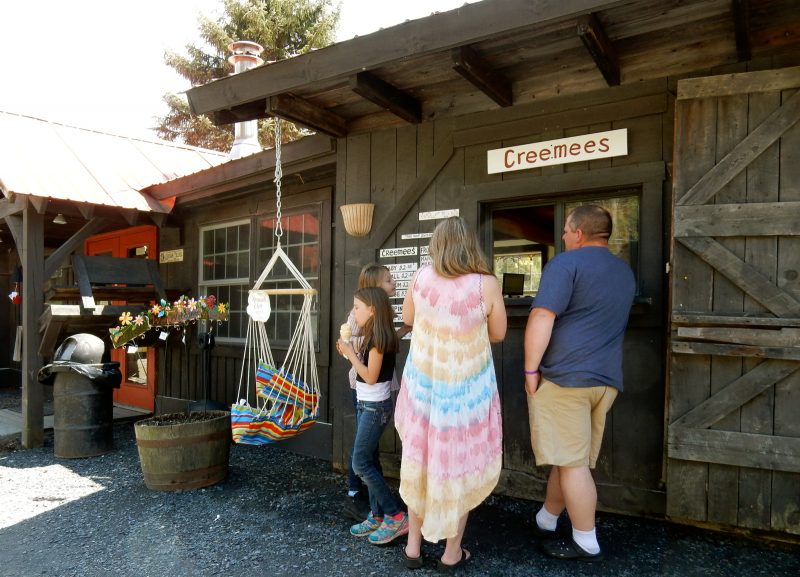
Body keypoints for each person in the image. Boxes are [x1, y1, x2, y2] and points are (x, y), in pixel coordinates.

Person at [523, 204, 635, 562]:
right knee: (569, 457)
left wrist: (530, 370)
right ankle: (547, 518)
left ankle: (586, 540)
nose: (565, 236)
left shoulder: (565, 264)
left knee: (572, 464)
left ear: (580, 233)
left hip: (566, 378)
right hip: (605, 381)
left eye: (567, 231)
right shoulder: (623, 272)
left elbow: (542, 315)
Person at [395, 217, 506, 571]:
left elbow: (409, 318)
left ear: (436, 245)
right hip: (465, 393)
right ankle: (450, 553)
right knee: (459, 466)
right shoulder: (485, 284)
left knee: (419, 463)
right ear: (468, 245)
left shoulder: (419, 277)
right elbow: (499, 333)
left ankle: (413, 548)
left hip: (424, 390)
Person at [337, 287, 409, 545]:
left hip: (375, 408)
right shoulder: (371, 333)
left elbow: (368, 375)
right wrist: (349, 350)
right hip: (366, 403)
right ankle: (377, 515)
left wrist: (350, 354)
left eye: (357, 307)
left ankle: (396, 515)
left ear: (372, 310)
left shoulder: (379, 339)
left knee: (360, 463)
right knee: (370, 461)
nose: (354, 312)